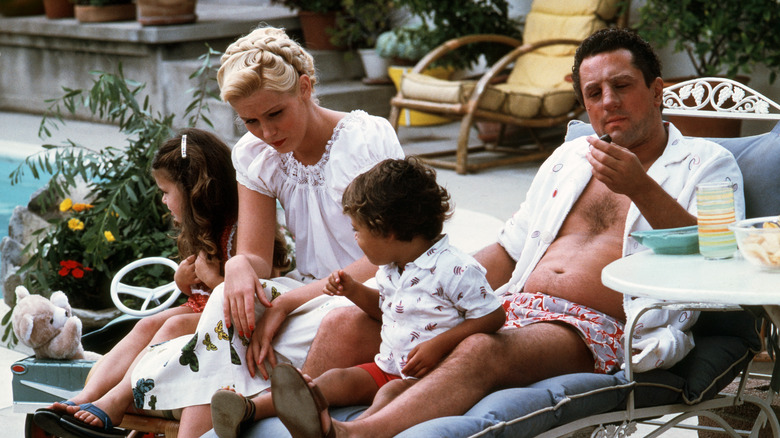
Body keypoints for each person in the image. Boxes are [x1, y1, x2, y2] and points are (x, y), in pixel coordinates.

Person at [237, 27, 746, 438]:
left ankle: (358, 435)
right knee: (349, 321)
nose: (608, 101)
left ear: (657, 91)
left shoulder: (706, 163)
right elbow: (509, 246)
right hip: (515, 305)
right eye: (594, 93)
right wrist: (432, 281)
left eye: (623, 86)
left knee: (478, 350)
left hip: (598, 329)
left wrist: (642, 188)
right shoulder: (570, 157)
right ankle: (267, 415)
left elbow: (717, 256)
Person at [39, 25, 405, 438]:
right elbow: (253, 257)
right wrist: (239, 273)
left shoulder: (364, 138)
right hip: (305, 292)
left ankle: (132, 404)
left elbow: (386, 254)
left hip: (366, 294)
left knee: (233, 322)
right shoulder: (256, 154)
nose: (267, 133)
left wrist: (282, 304)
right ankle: (139, 410)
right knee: (222, 303)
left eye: (275, 114)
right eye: (251, 121)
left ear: (305, 87)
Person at [209, 157, 505, 438]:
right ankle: (250, 410)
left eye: (357, 230)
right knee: (335, 379)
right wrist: (353, 291)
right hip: (387, 366)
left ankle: (350, 431)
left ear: (387, 231)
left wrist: (438, 345)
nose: (355, 239)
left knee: (389, 394)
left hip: (427, 377)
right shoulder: (392, 268)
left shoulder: (454, 268)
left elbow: (493, 316)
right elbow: (386, 310)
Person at [36, 128, 286, 433]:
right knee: (145, 324)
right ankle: (87, 395)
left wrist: (215, 278)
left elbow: (266, 289)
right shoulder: (205, 226)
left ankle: (116, 399)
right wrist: (184, 281)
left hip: (235, 320)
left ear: (195, 190)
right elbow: (199, 291)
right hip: (204, 310)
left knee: (171, 326)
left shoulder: (241, 229)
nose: (164, 201)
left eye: (166, 192)